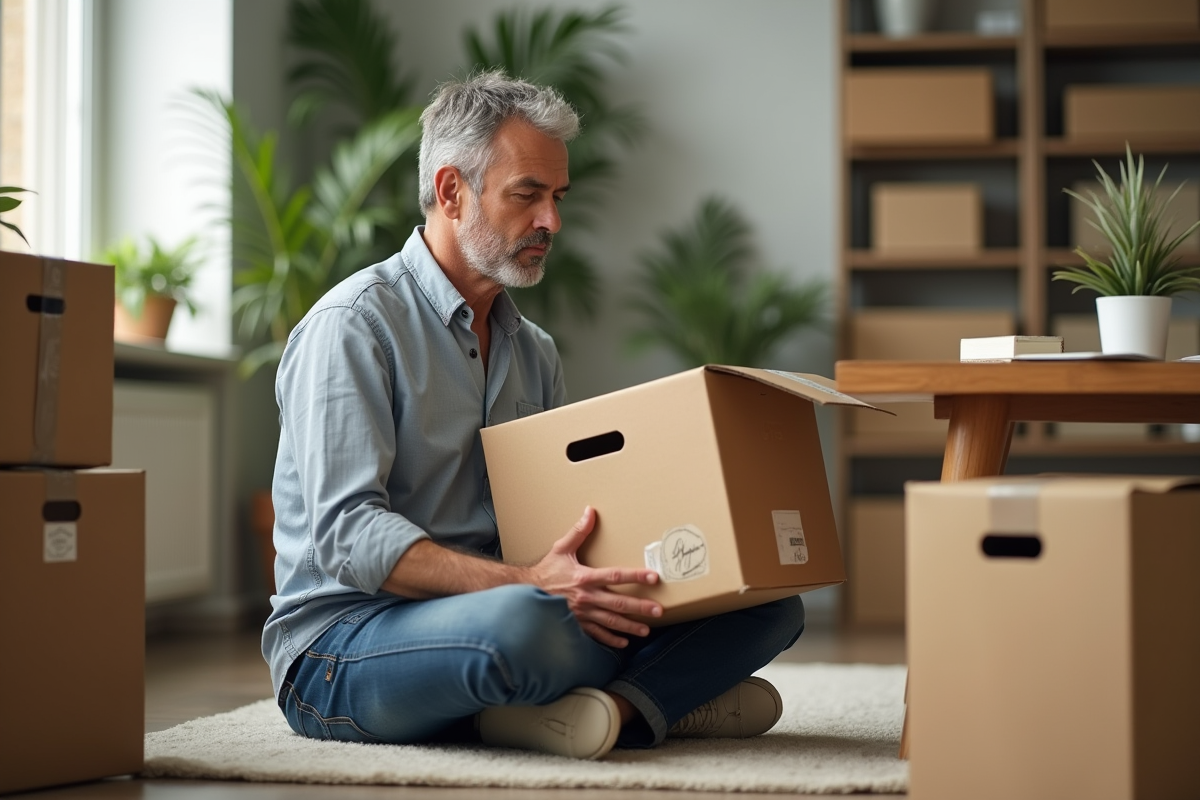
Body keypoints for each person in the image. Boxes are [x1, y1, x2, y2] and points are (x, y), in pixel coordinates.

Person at [263, 70, 806, 760]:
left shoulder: (533, 350)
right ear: (451, 191)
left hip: (504, 605)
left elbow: (561, 523)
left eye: (557, 197)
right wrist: (528, 583)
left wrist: (655, 565)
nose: (551, 221)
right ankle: (662, 696)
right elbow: (349, 537)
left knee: (764, 600)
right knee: (522, 628)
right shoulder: (352, 326)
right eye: (528, 195)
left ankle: (609, 710)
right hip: (344, 644)